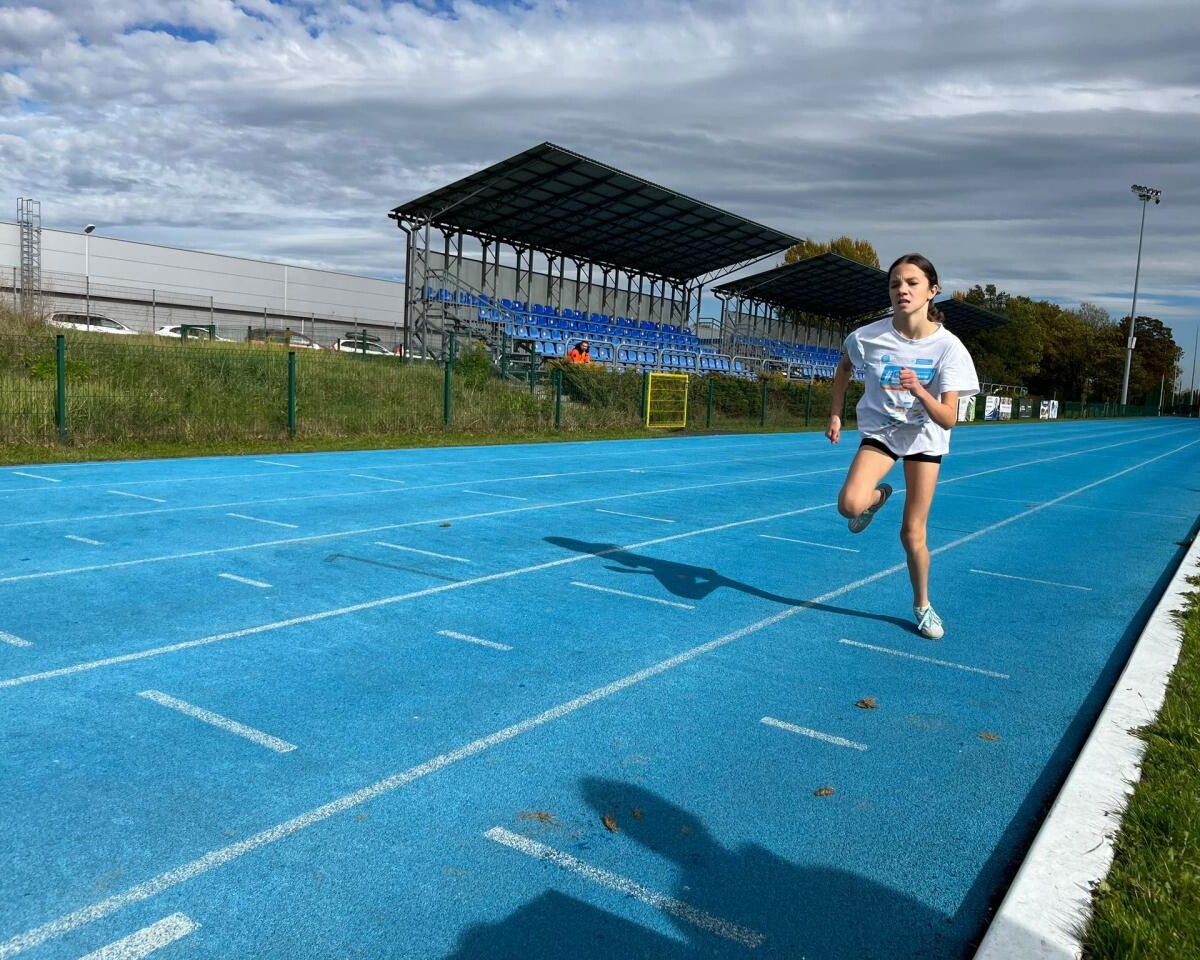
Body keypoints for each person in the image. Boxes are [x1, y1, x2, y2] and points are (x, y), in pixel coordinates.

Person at [826, 253, 979, 640]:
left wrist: (918, 391)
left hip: (926, 437)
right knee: (849, 505)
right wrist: (836, 414)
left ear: (933, 291)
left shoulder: (949, 349)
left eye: (912, 283)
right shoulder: (867, 337)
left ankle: (922, 605)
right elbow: (843, 368)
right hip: (882, 433)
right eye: (895, 284)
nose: (902, 290)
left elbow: (948, 417)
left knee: (912, 534)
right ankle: (877, 498)